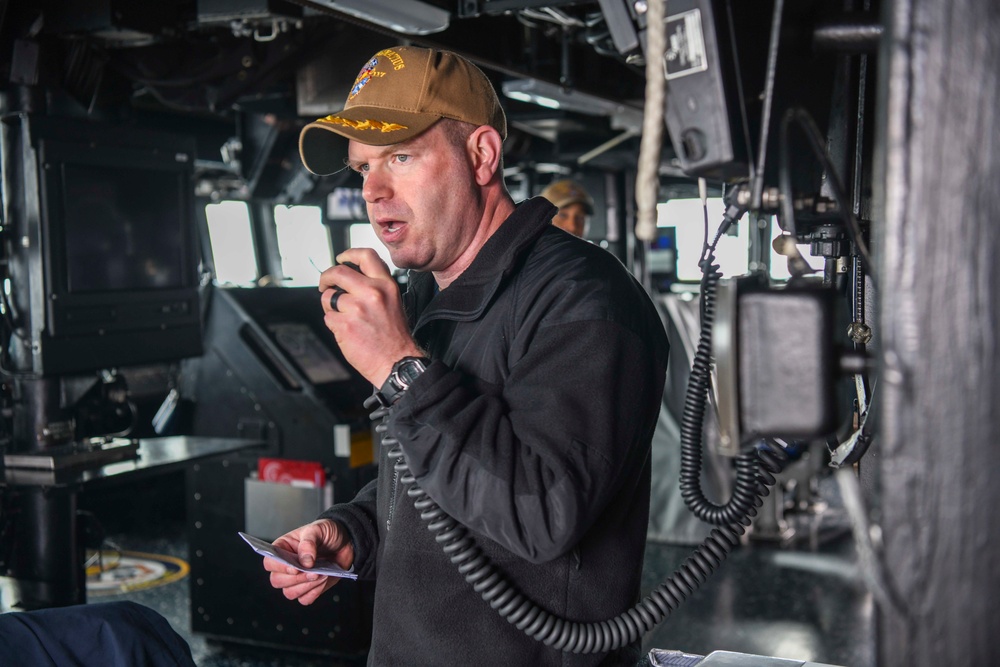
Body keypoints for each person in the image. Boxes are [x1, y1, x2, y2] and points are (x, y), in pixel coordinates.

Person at [264, 45, 669, 666]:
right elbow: (435, 485)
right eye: (362, 167)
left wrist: (400, 368)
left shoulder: (586, 301)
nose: (372, 190)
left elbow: (541, 511)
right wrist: (354, 531)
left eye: (399, 157)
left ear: (481, 155)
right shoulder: (427, 293)